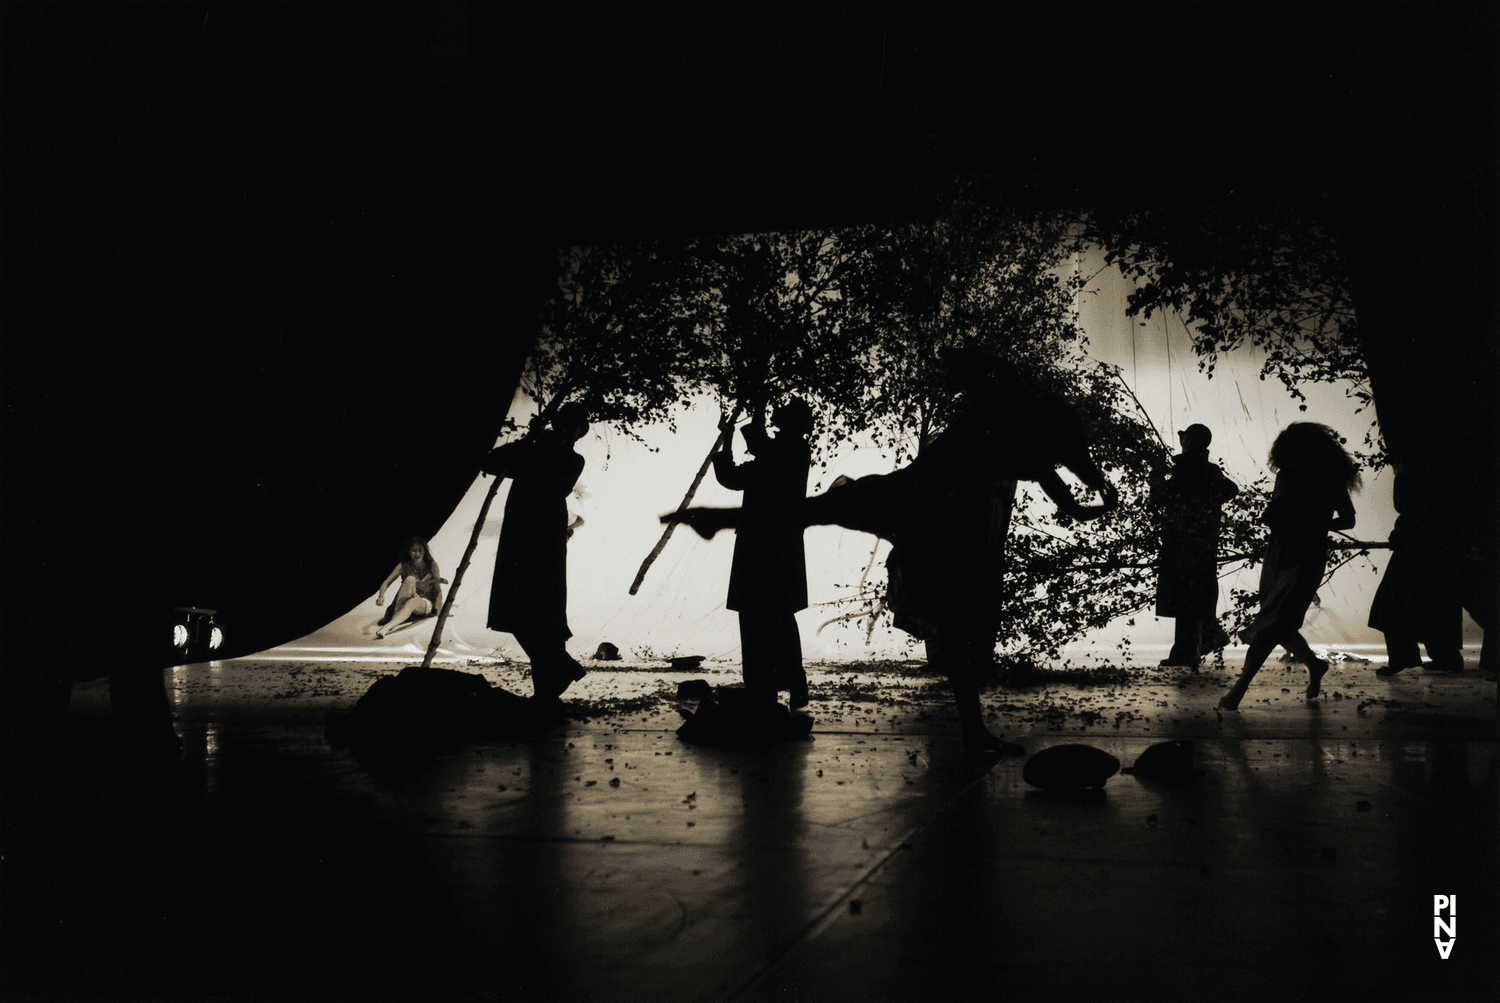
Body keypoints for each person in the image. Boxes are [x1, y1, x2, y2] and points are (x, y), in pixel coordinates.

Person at [672, 349, 1119, 755]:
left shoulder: (1007, 426)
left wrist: (1084, 492)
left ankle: (972, 730)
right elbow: (1045, 458)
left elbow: (1049, 460)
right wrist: (1082, 494)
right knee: (835, 516)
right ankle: (972, 731)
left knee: (835, 518)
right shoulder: (1002, 422)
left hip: (935, 516)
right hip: (933, 514)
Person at [1219, 423, 1360, 710]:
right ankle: (1313, 664)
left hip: (1295, 554)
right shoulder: (1321, 478)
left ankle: (1240, 688)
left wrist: (1308, 524)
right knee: (1277, 621)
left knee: (1273, 621)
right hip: (1291, 552)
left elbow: (1277, 515)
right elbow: (1346, 520)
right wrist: (1317, 525)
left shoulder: (1301, 477)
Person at [483, 403, 591, 702]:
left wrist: (535, 442)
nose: (569, 434)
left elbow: (557, 482)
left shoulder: (571, 459)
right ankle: (558, 670)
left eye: (574, 430)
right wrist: (529, 438)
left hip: (544, 538)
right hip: (520, 534)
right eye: (565, 427)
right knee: (520, 608)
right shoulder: (533, 449)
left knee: (542, 608)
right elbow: (492, 462)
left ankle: (549, 685)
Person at [712, 397, 814, 713]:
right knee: (773, 618)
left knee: (766, 618)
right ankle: (775, 688)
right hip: (773, 549)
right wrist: (733, 433)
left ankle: (775, 687)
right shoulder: (785, 453)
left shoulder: (787, 453)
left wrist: (754, 406)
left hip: (767, 549)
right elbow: (733, 474)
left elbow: (738, 466)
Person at [1150, 423, 1239, 667]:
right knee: (1194, 595)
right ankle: (1189, 649)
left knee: (1185, 597)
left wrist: (1157, 478)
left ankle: (1195, 645)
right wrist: (1206, 507)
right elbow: (1230, 490)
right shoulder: (1208, 471)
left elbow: (1159, 499)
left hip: (1182, 543)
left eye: (1186, 438)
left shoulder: (1187, 470)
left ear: (1189, 442)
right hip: (1202, 542)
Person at [1369, 456, 1464, 676]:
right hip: (1435, 546)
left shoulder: (1411, 477)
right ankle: (1446, 657)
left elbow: (1403, 505)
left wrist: (1401, 476)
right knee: (1435, 602)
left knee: (1394, 602)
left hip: (1415, 546)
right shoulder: (1442, 472)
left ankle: (1408, 657)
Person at [375, 537, 445, 638]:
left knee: (413, 601)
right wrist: (381, 596)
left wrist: (440, 611)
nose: (417, 554)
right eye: (414, 550)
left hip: (424, 602)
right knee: (410, 579)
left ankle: (387, 627)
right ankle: (397, 618)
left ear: (425, 551)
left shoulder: (432, 565)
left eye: (420, 550)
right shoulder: (404, 565)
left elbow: (437, 589)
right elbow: (386, 583)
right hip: (405, 599)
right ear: (409, 552)